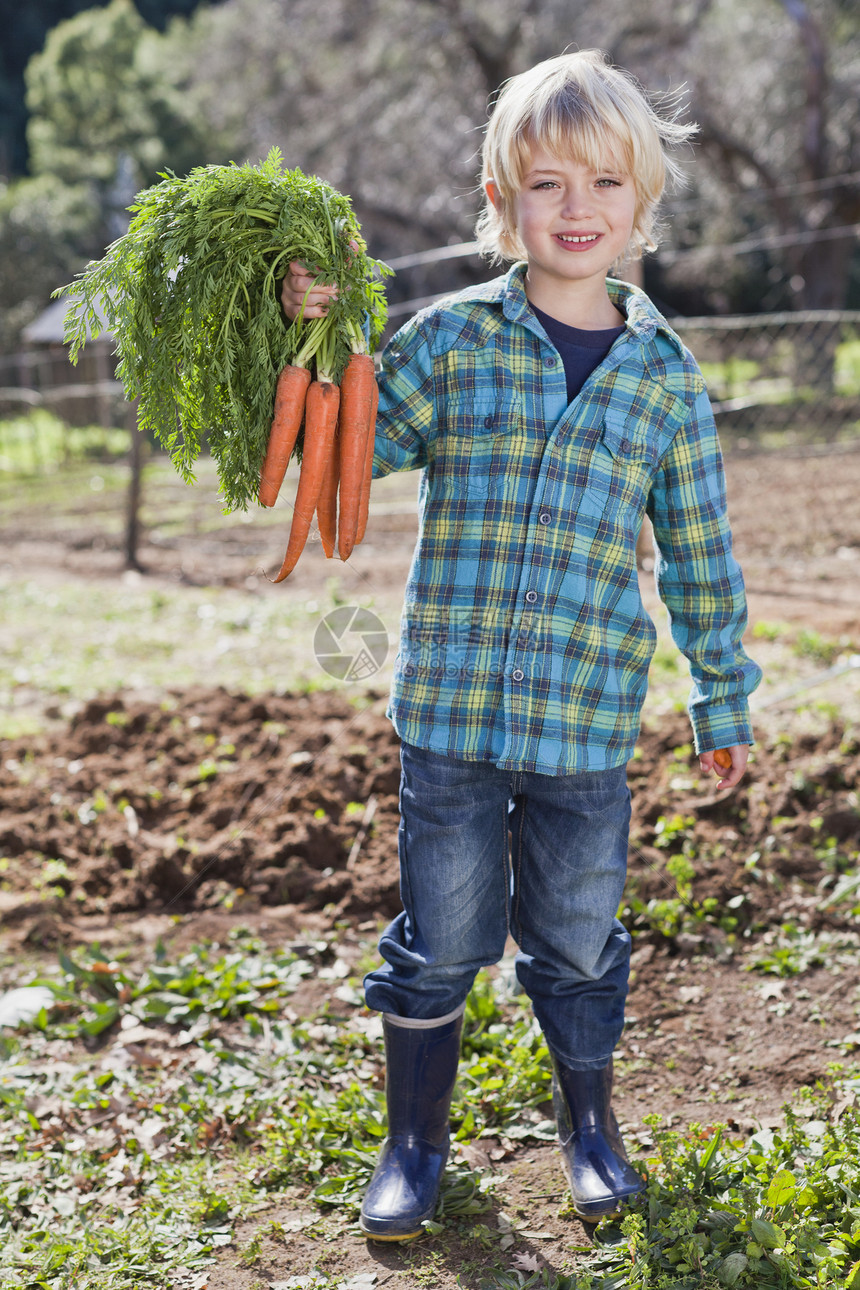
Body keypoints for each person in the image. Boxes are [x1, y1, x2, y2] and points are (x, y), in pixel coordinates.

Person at [281, 48, 761, 1241]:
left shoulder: (663, 382)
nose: (578, 209)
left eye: (603, 184)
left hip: (584, 727)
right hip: (448, 721)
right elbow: (336, 443)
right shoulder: (449, 347)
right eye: (547, 185)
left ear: (640, 205)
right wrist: (310, 335)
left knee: (577, 938)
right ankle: (413, 1141)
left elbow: (699, 557)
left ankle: (589, 1130)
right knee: (441, 940)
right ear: (500, 205)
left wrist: (720, 703)